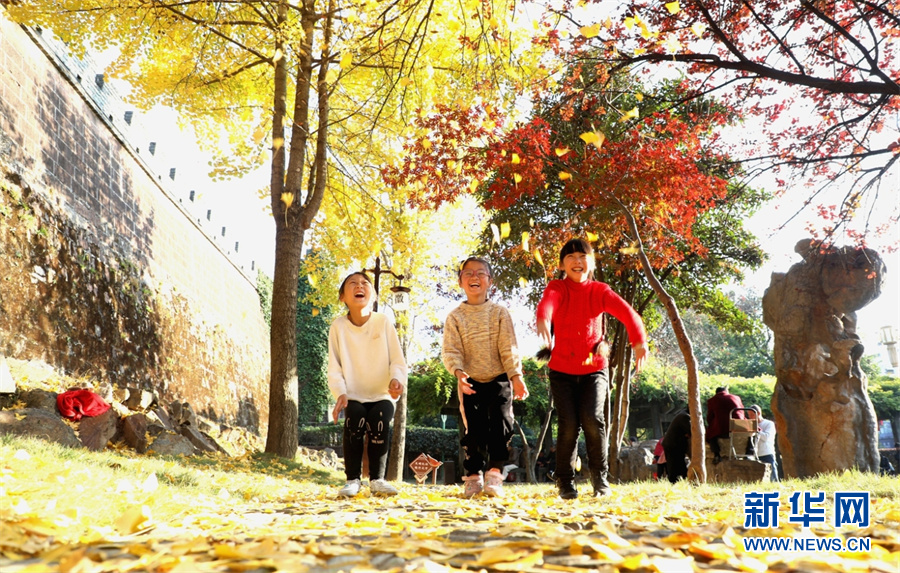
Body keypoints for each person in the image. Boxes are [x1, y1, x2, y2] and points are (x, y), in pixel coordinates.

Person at [536, 238, 648, 499]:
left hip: (594, 369)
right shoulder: (557, 287)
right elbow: (548, 303)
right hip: (562, 370)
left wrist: (639, 341)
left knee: (592, 420)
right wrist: (543, 317)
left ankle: (600, 479)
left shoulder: (599, 291)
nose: (577, 261)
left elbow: (628, 314)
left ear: (592, 262)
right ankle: (565, 481)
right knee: (568, 425)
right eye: (571, 257)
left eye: (583, 256)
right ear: (563, 264)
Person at [442, 257, 529, 498]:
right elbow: (451, 350)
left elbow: (508, 346)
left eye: (481, 273)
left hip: (499, 377)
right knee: (474, 432)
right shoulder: (454, 317)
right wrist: (459, 374)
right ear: (460, 281)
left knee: (502, 424)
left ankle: (494, 474)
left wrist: (516, 376)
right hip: (469, 381)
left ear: (490, 281)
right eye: (468, 273)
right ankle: (473, 477)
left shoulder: (499, 313)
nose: (474, 277)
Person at [328, 272, 407, 497]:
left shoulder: (383, 322)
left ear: (373, 296)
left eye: (365, 283)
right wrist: (340, 393)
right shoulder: (338, 327)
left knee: (379, 420)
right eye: (352, 283)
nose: (359, 286)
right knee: (355, 418)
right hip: (353, 394)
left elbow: (397, 360)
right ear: (343, 296)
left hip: (382, 393)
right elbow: (334, 366)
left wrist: (396, 380)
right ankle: (353, 480)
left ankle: (377, 480)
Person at [706, 386, 744, 463]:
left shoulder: (712, 400)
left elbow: (709, 417)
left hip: (722, 429)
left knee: (710, 433)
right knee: (753, 430)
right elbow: (742, 412)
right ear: (726, 391)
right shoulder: (736, 397)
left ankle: (717, 454)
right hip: (739, 427)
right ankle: (750, 451)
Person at [750, 405, 779, 481]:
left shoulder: (769, 424)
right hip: (755, 455)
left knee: (772, 478)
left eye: (752, 415)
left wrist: (757, 430)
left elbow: (766, 437)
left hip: (767, 453)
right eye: (749, 415)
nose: (750, 417)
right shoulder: (751, 424)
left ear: (758, 413)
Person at [661, 411, 691, 483]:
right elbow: (691, 431)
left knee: (675, 464)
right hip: (673, 445)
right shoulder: (685, 417)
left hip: (672, 444)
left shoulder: (682, 416)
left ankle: (677, 481)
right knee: (674, 465)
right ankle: (675, 481)